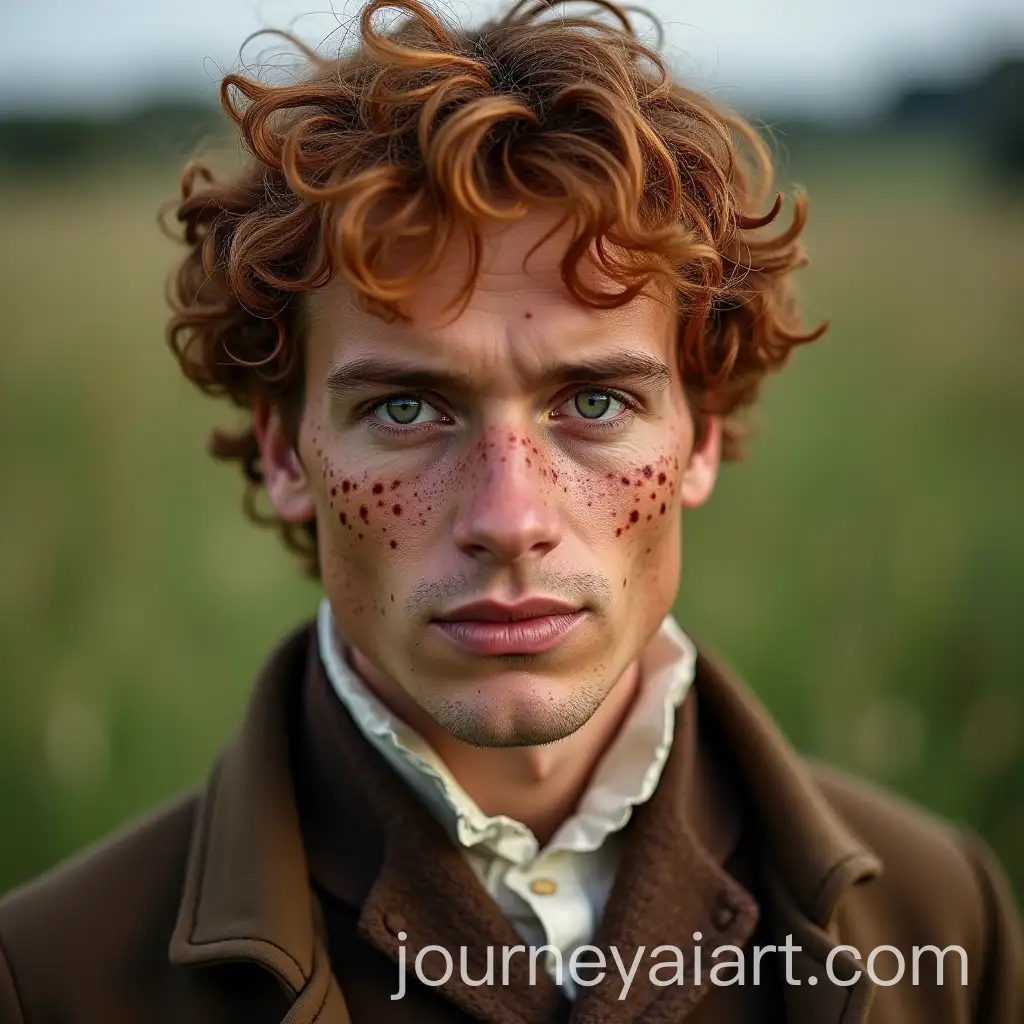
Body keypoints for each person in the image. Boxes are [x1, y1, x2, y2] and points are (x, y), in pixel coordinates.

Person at [1, 0, 1021, 1021]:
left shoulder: (944, 923)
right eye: (404, 407)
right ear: (283, 450)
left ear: (700, 435)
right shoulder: (51, 977)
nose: (510, 515)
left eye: (594, 402)